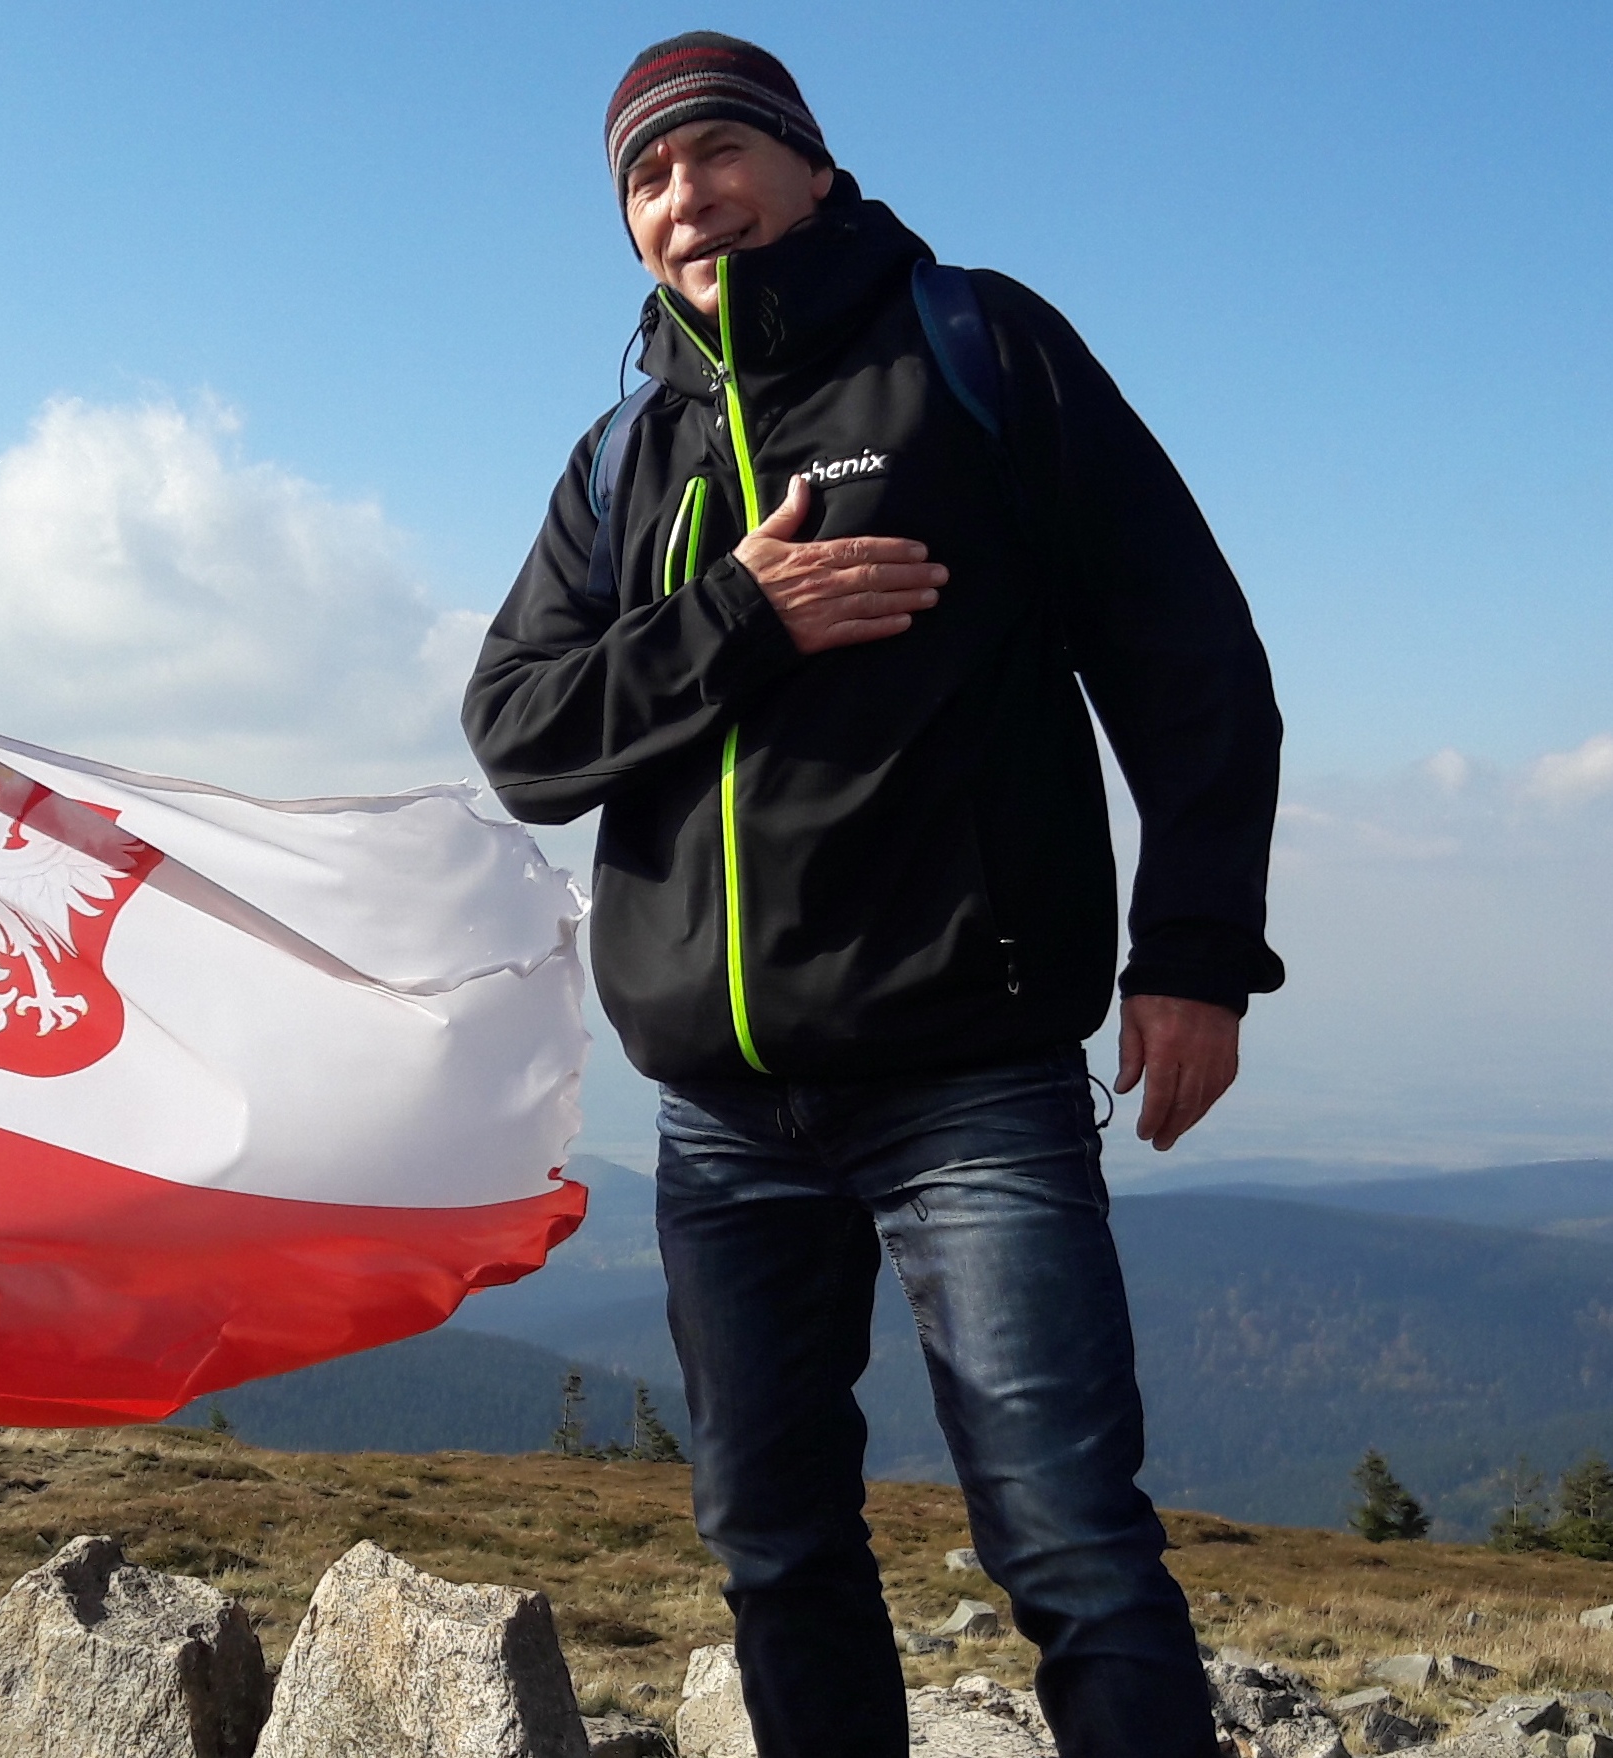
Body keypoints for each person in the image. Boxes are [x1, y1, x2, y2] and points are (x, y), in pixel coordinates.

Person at [462, 31, 1284, 1758]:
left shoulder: (974, 348)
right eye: (645, 178)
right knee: (773, 1549)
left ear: (809, 166)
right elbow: (520, 733)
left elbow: (1187, 650)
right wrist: (738, 619)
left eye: (715, 153)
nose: (685, 196)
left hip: (967, 1077)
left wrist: (1196, 952)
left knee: (1065, 1541)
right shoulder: (623, 460)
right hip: (716, 1117)